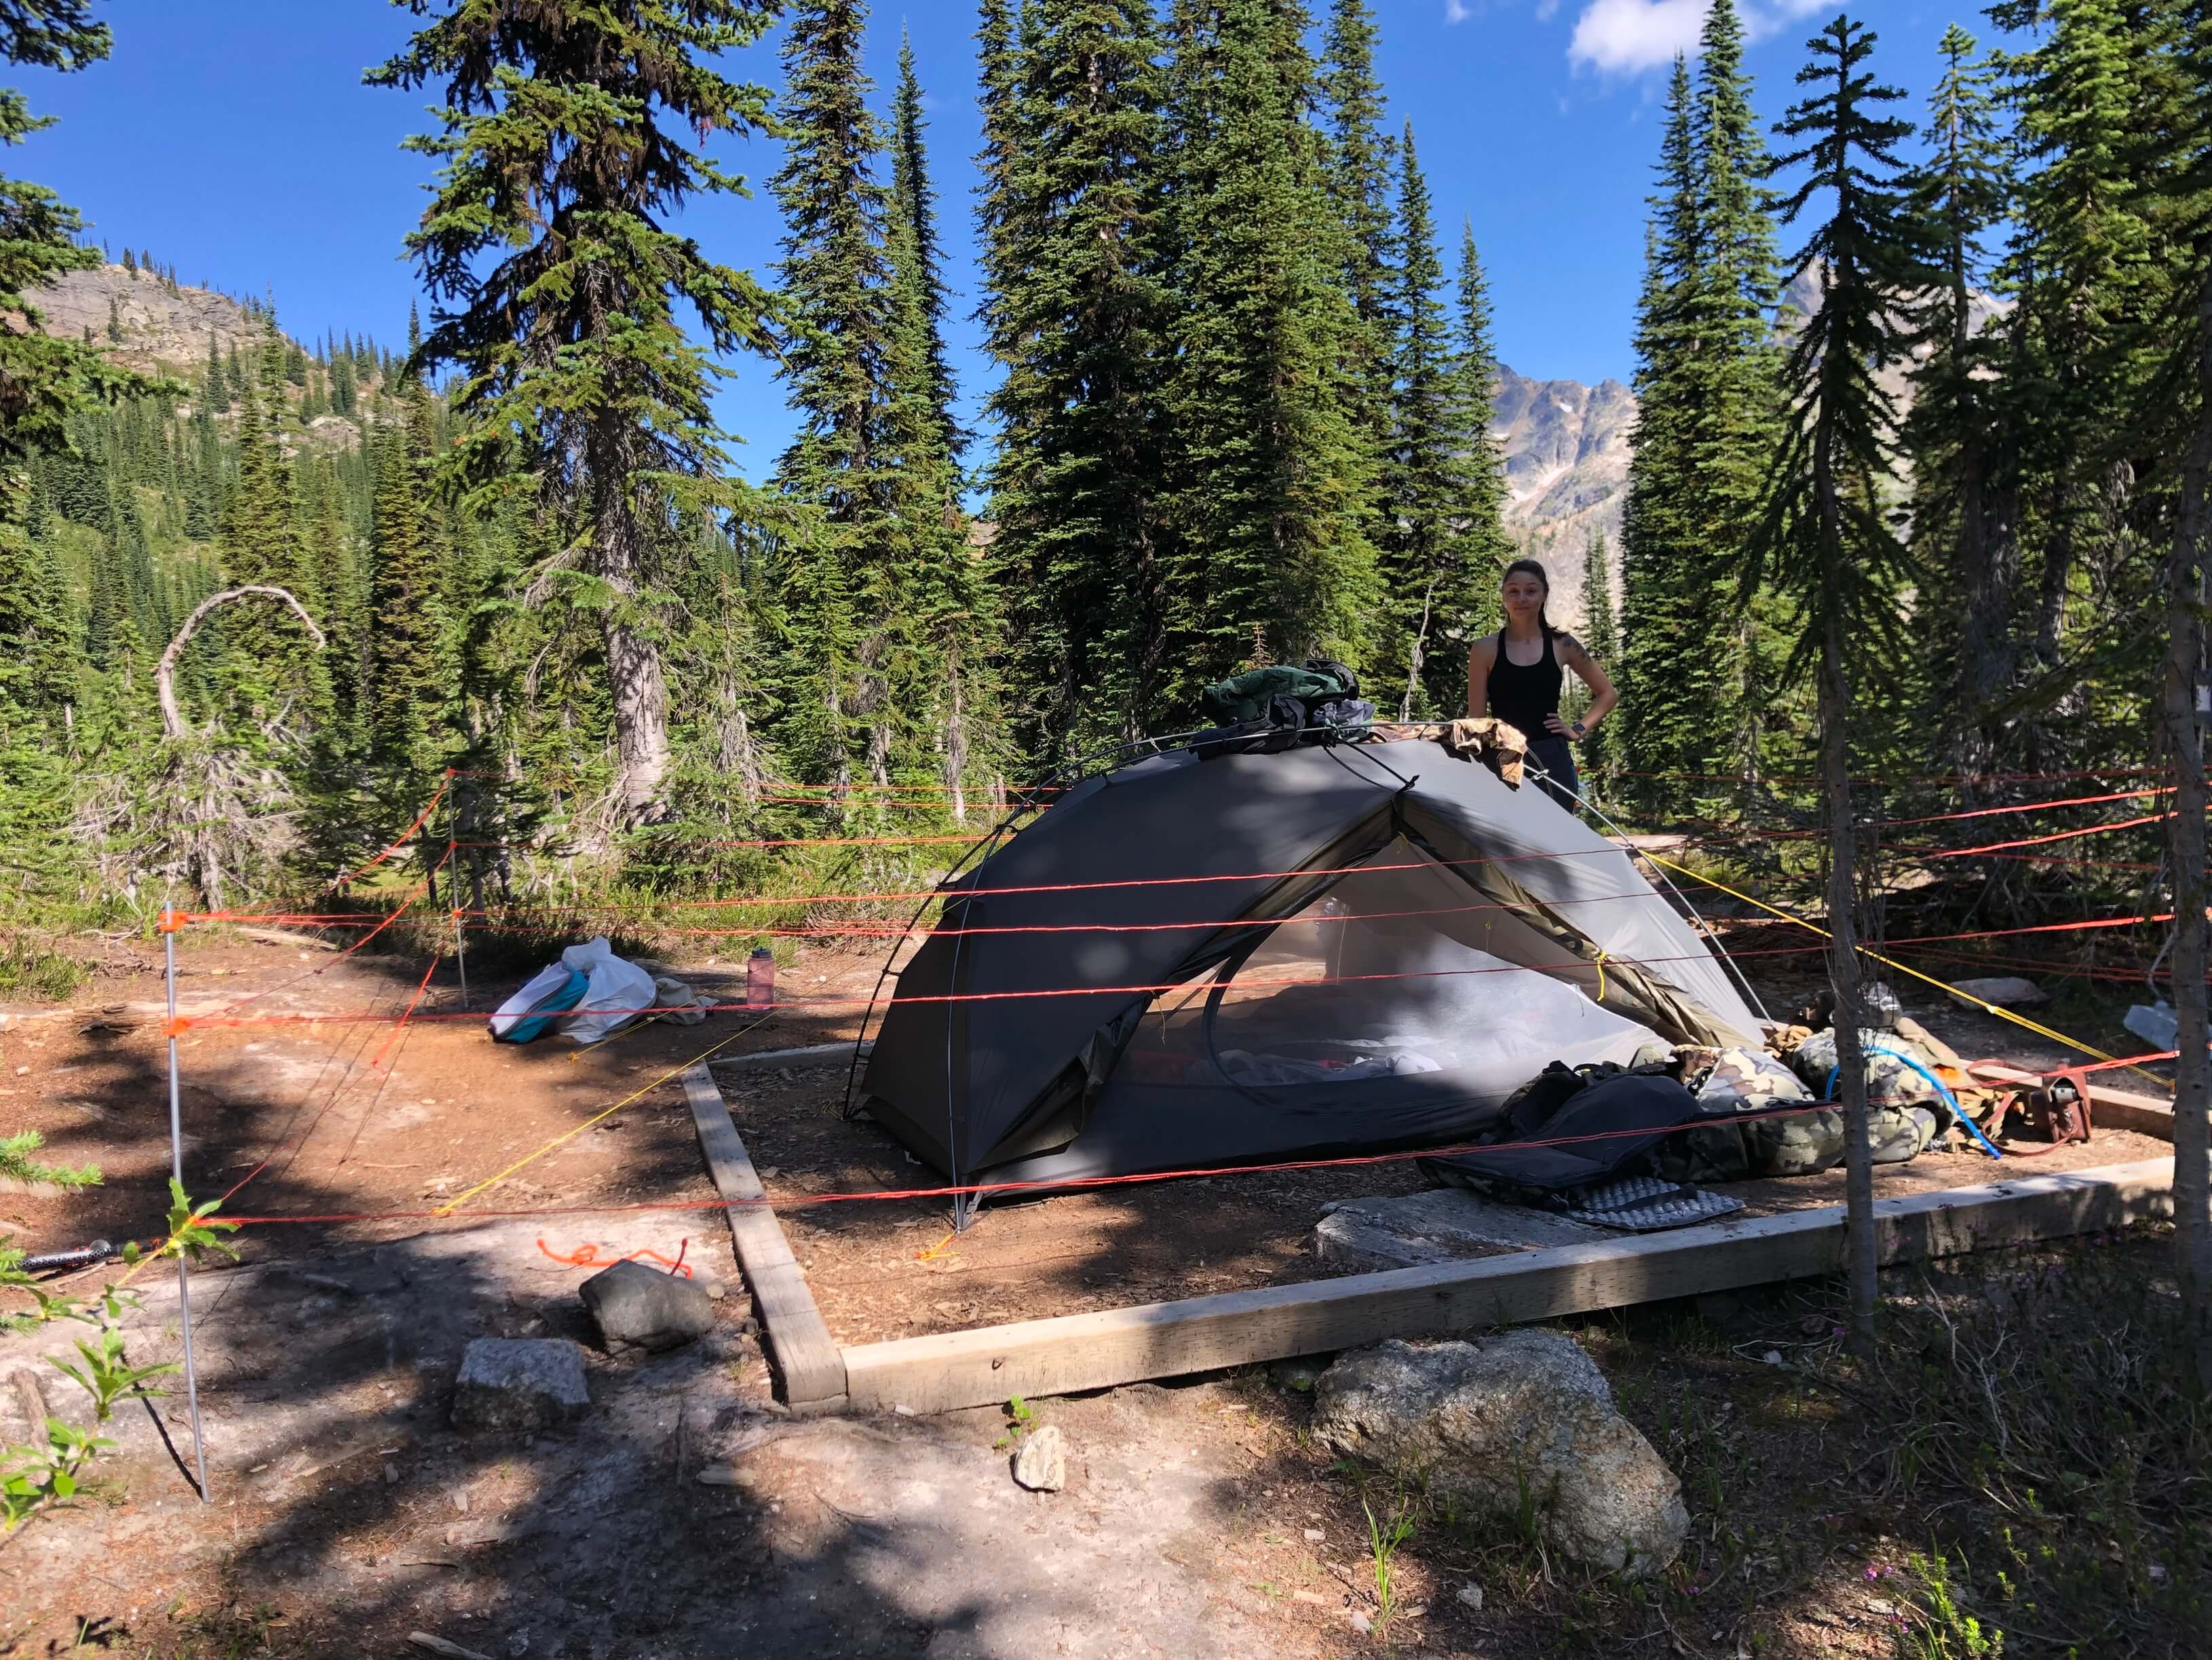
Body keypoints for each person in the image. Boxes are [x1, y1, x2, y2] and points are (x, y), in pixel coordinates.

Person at [1466, 558, 1618, 812]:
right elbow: (1477, 721)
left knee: (1558, 839)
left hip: (1553, 757)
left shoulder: (1562, 645)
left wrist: (1578, 729)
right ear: (1503, 596)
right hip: (1503, 758)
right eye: (1513, 591)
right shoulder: (1484, 649)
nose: (1521, 598)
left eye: (1531, 591)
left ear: (1544, 595)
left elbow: (1608, 694)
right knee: (1511, 847)